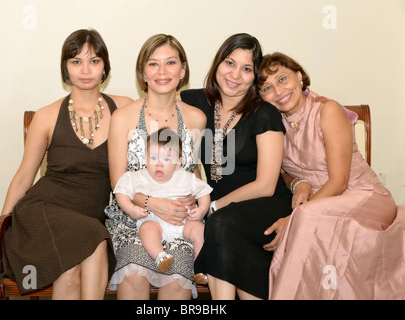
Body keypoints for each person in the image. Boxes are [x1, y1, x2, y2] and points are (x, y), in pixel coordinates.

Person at [0, 29, 132, 299]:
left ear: (105, 67)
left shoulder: (124, 109)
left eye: (94, 61)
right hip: (44, 211)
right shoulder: (47, 115)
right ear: (65, 68)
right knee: (96, 237)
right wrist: (1, 227)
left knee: (70, 271)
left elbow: (160, 123)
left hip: (89, 218)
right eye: (76, 61)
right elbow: (23, 178)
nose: (85, 69)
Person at [257, 52, 404, 299]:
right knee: (305, 219)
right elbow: (281, 173)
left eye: (282, 79)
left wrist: (291, 219)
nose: (278, 91)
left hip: (364, 196)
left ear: (300, 76)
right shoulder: (274, 123)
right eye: (267, 88)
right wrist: (299, 183)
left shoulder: (327, 110)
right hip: (321, 207)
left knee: (306, 218)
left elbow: (339, 181)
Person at [180, 33, 293, 300]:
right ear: (217, 63)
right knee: (226, 234)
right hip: (223, 211)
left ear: (255, 77)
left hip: (264, 204)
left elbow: (266, 185)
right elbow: (154, 105)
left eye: (246, 69)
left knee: (220, 224)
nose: (235, 75)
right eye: (230, 63)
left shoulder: (265, 113)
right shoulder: (193, 101)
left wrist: (214, 206)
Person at [105, 34, 206, 300]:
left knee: (177, 272)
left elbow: (191, 171)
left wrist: (192, 202)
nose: (162, 71)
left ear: (183, 70)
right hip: (133, 215)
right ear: (143, 73)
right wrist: (152, 202)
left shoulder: (196, 118)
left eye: (170, 63)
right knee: (135, 271)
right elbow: (117, 182)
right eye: (153, 64)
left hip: (177, 218)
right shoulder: (123, 116)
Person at [114, 128, 212, 284]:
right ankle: (161, 256)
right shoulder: (137, 177)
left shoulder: (185, 177)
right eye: (153, 158)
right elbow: (120, 192)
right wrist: (131, 209)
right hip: (154, 222)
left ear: (178, 162)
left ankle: (200, 267)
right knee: (147, 229)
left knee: (200, 230)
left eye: (166, 160)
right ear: (145, 158)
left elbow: (204, 192)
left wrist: (201, 211)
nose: (158, 164)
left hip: (183, 223)